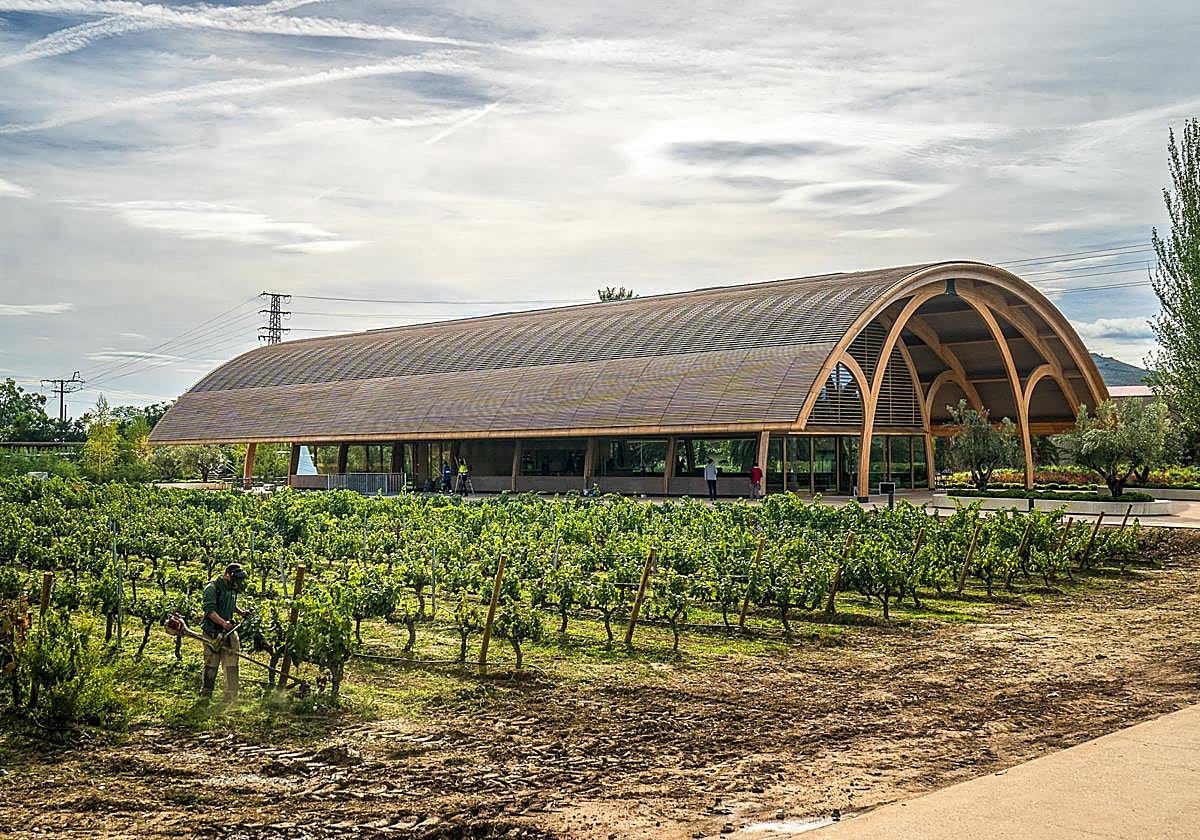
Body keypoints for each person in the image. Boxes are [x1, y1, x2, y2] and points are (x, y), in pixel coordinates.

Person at [200, 563, 251, 701]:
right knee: (212, 662)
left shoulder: (232, 587)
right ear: (227, 575)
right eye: (236, 578)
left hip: (228, 631)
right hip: (212, 631)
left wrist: (241, 613)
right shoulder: (212, 589)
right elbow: (210, 611)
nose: (238, 582)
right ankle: (206, 693)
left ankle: (231, 695)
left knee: (232, 663)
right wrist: (223, 623)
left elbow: (231, 603)